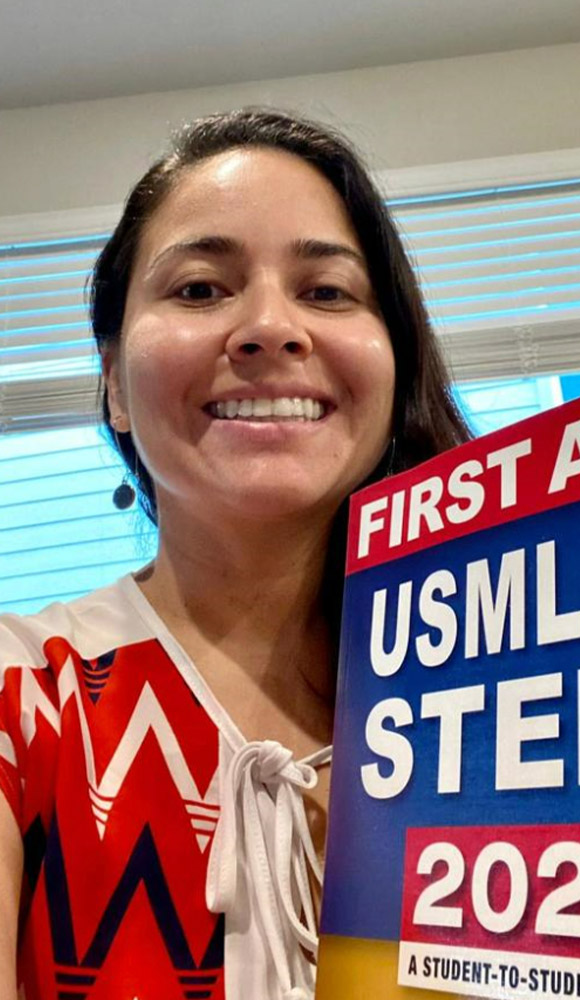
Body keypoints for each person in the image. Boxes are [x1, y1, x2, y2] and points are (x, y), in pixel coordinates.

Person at [0, 109, 469, 1000]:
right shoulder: (23, 691)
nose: (268, 327)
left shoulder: (531, 684)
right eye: (200, 289)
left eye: (328, 292)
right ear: (114, 388)